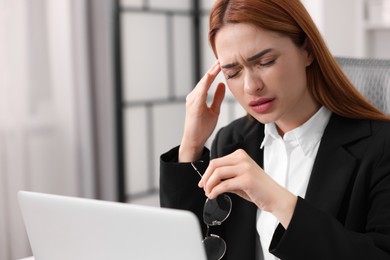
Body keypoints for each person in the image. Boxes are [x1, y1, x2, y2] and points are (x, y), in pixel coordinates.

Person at [159, 0, 390, 259]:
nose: (250, 86)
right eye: (233, 72)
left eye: (266, 61)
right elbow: (191, 246)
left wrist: (278, 201)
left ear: (308, 50)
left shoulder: (380, 146)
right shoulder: (232, 141)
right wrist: (191, 144)